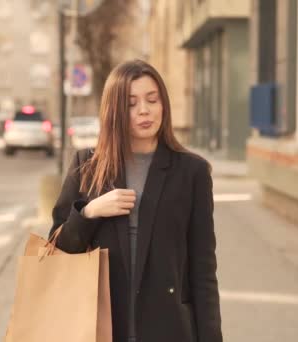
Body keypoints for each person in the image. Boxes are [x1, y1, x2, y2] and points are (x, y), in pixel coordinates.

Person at [49, 59, 222, 342]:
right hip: (100, 327)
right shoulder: (87, 165)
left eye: (152, 100)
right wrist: (90, 212)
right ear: (114, 110)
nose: (144, 110)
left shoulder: (192, 172)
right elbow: (58, 246)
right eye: (131, 103)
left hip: (168, 328)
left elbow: (204, 269)